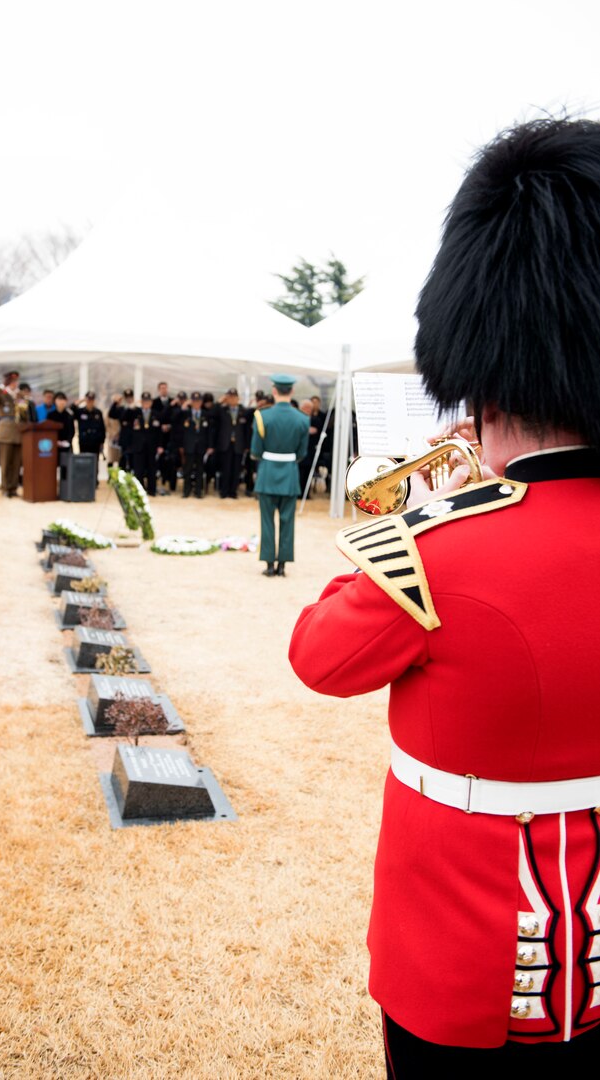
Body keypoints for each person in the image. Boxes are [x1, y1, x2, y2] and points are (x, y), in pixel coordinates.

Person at [289, 118, 600, 1073]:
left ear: (488, 393)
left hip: (464, 948)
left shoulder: (437, 546)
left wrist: (410, 515)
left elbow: (320, 658)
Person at [250, 373, 309, 576]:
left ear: (274, 391)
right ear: (291, 391)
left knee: (267, 521)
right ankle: (282, 564)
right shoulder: (302, 419)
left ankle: (268, 564)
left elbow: (256, 451)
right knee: (287, 521)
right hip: (290, 475)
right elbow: (302, 453)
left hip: (267, 473)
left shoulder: (262, 416)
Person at [0, 370, 22, 497]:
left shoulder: (18, 395)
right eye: (12, 381)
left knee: (16, 462)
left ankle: (13, 487)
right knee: (5, 461)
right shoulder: (2, 393)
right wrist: (3, 386)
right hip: (5, 432)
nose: (14, 384)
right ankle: (5, 487)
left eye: (15, 381)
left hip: (18, 432)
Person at [178, 391, 214, 498]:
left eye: (198, 401)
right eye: (194, 401)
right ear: (191, 402)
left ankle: (198, 491)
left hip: (201, 446)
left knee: (200, 469)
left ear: (201, 402)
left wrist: (210, 446)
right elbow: (179, 428)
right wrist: (183, 407)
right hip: (189, 445)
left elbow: (210, 432)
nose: (196, 403)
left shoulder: (206, 414)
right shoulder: (186, 414)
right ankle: (186, 490)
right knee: (187, 469)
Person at [216, 388, 250, 498]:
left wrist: (247, 445)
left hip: (239, 444)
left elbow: (247, 430)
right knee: (225, 468)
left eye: (234, 397)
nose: (232, 399)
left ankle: (233, 491)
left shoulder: (244, 411)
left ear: (238, 398)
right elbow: (210, 413)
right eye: (229, 397)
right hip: (226, 444)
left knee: (236, 469)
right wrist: (219, 402)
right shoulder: (222, 410)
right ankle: (224, 491)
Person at [128, 391, 162, 496]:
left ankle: (152, 490)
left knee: (152, 469)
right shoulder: (135, 412)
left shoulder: (156, 414)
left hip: (152, 446)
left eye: (148, 401)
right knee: (139, 469)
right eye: (144, 401)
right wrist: (131, 406)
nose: (146, 403)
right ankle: (140, 491)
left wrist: (160, 445)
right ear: (141, 402)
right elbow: (123, 417)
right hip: (138, 446)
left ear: (151, 402)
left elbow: (159, 432)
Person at [73, 391, 106, 483]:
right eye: (88, 400)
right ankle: (84, 479)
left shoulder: (98, 412)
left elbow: (102, 428)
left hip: (95, 442)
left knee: (95, 461)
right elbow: (71, 411)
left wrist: (102, 441)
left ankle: (94, 480)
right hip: (84, 441)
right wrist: (79, 401)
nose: (90, 402)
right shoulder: (80, 412)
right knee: (84, 461)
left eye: (91, 400)